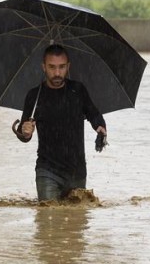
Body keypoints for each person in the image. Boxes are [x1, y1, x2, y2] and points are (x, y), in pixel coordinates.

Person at [16, 44, 107, 202]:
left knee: (76, 223)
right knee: (48, 220)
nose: (57, 73)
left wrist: (100, 128)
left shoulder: (78, 91)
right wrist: (25, 131)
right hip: (47, 171)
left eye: (61, 67)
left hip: (77, 172)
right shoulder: (35, 96)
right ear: (43, 67)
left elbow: (94, 114)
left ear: (68, 66)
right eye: (52, 67)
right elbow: (23, 134)